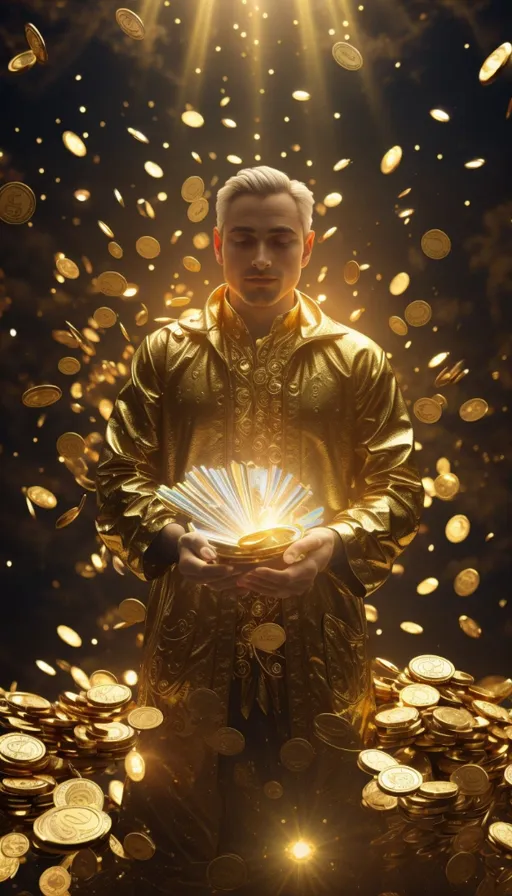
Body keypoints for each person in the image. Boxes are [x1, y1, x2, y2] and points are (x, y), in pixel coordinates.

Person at [94, 165, 424, 894]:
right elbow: (115, 477)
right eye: (244, 241)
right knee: (183, 844)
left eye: (280, 241)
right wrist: (176, 544)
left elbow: (402, 486)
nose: (263, 260)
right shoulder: (166, 353)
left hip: (318, 643)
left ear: (309, 246)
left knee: (315, 852)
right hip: (191, 641)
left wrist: (332, 545)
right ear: (218, 246)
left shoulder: (356, 358)